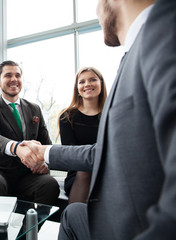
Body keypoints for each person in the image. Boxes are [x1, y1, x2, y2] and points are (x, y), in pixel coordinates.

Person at [19, 0, 176, 239]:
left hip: (136, 223)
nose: (96, 10)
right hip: (114, 202)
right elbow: (104, 151)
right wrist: (45, 153)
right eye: (82, 81)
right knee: (73, 214)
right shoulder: (136, 51)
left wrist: (44, 153)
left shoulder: (164, 33)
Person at [0, 60, 60, 206]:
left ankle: (31, 229)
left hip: (28, 174)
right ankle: (1, 229)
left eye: (18, 75)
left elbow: (46, 143)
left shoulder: (34, 109)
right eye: (8, 75)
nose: (14, 79)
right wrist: (17, 148)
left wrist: (45, 163)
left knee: (50, 184)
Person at [58, 67, 107, 203]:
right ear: (77, 88)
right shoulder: (66, 117)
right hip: (78, 175)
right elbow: (70, 154)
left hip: (108, 171)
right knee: (85, 169)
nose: (87, 84)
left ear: (101, 84)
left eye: (92, 80)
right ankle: (74, 222)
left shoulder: (112, 114)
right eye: (82, 82)